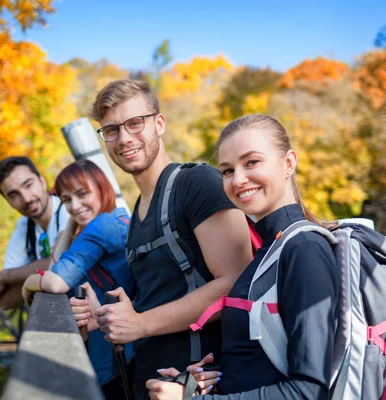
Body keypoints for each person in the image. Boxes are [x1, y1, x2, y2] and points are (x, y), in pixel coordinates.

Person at [71, 79, 253, 399]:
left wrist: (139, 324)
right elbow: (159, 296)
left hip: (201, 386)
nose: (124, 137)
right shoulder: (138, 213)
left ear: (159, 123)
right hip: (151, 383)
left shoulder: (197, 184)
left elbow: (238, 282)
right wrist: (106, 318)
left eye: (134, 123)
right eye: (111, 130)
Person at [146, 114, 341, 399]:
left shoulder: (304, 248)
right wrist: (200, 382)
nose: (238, 179)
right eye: (226, 170)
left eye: (251, 162)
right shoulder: (267, 251)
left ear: (289, 163)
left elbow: (309, 391)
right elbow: (258, 363)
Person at [21, 160, 136, 400]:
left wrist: (27, 284)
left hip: (117, 359)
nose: (74, 205)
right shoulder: (118, 219)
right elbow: (56, 267)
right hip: (121, 351)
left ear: (102, 188)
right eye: (66, 200)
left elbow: (55, 282)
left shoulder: (101, 226)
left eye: (82, 194)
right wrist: (74, 221)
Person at [0, 156, 70, 310]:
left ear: (42, 181)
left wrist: (6, 276)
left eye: (28, 185)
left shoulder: (69, 211)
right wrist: (44, 276)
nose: (26, 199)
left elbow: (63, 264)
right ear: (8, 201)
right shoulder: (24, 227)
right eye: (14, 195)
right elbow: (4, 301)